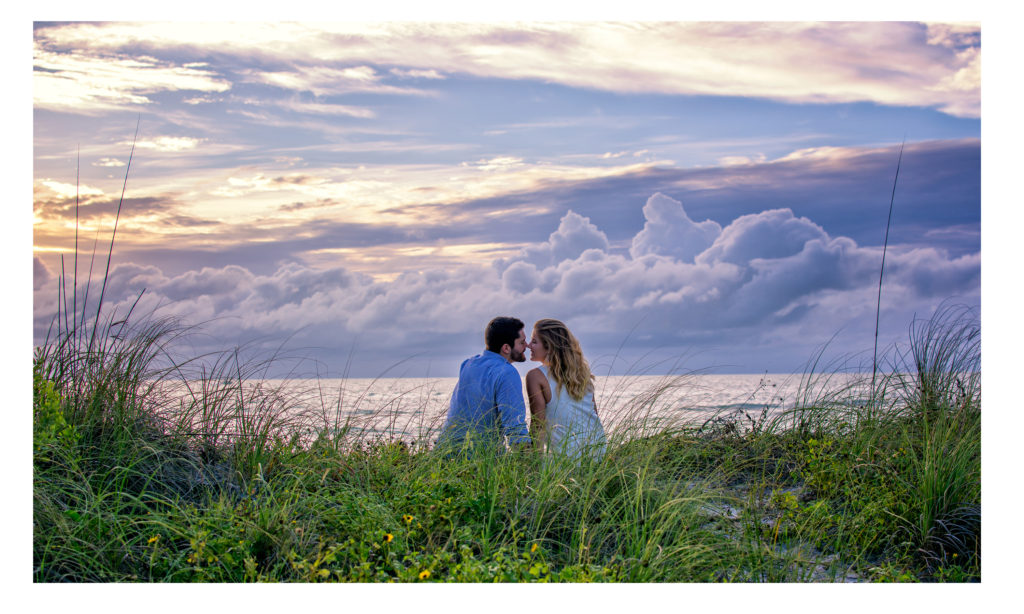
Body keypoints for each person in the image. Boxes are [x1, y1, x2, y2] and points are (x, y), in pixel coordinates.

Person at [437, 316, 531, 453]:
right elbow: (515, 429)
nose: (527, 345)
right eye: (522, 342)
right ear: (506, 348)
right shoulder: (507, 372)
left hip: (443, 453)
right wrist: (531, 466)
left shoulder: (468, 364)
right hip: (476, 459)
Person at [526, 318, 606, 461]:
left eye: (534, 341)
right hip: (598, 451)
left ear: (549, 347)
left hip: (566, 460)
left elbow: (538, 426)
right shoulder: (582, 373)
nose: (528, 345)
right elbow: (594, 415)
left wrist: (534, 465)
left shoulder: (535, 376)